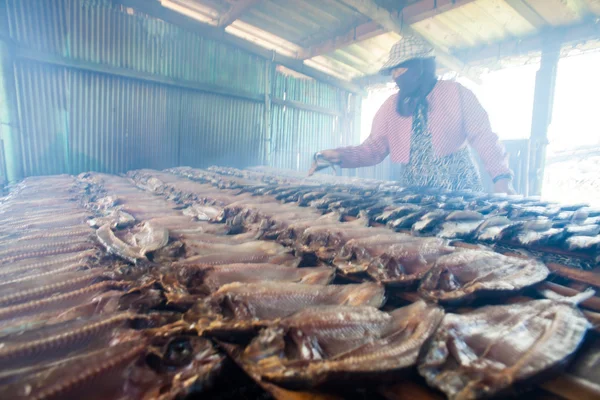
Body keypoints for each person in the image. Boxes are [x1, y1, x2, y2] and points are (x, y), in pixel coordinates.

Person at [309, 35, 516, 194]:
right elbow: (373, 149)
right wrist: (339, 156)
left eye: (400, 70)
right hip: (415, 193)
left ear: (420, 67)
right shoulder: (392, 106)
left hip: (459, 189)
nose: (395, 76)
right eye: (393, 72)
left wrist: (501, 178)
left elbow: (484, 136)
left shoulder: (456, 93)